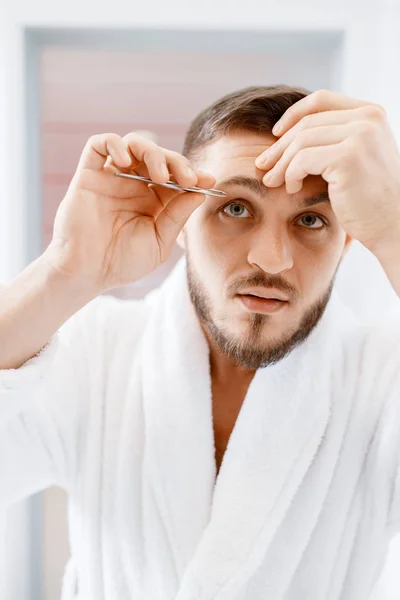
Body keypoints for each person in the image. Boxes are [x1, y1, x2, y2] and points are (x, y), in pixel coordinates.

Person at [1, 85, 400, 600]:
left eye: (310, 219)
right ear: (182, 219)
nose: (272, 259)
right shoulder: (97, 351)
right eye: (235, 208)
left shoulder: (383, 379)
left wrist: (396, 230)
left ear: (347, 240)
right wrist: (66, 269)